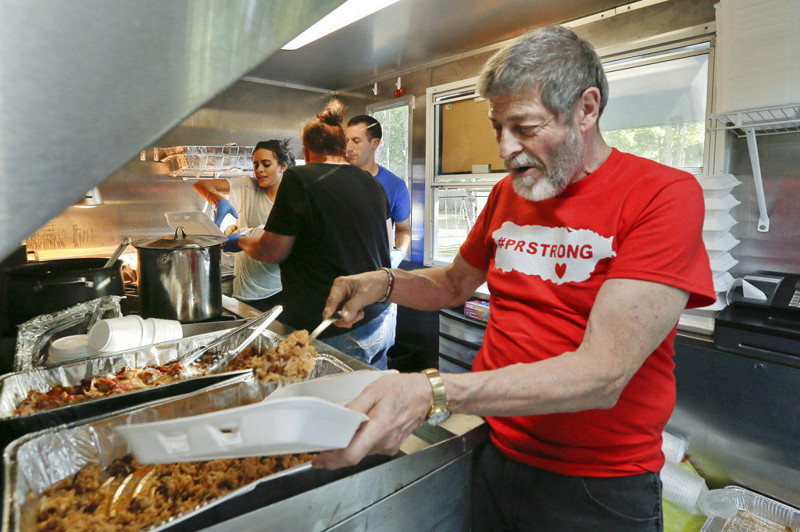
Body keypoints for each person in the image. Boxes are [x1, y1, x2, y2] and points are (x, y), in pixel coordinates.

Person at [313, 25, 715, 532]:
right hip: (492, 449)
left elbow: (603, 374)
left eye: (524, 128)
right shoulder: (512, 193)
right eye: (497, 127)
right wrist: (384, 281)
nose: (505, 149)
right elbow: (455, 284)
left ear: (586, 109)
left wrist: (433, 391)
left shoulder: (663, 195)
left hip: (596, 485)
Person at [233, 100, 396, 369]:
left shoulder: (299, 178)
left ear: (306, 151)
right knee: (372, 398)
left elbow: (272, 251)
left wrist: (239, 241)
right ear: (343, 148)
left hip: (339, 324)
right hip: (379, 316)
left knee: (335, 403)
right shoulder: (371, 182)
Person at [192, 140, 294, 312]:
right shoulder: (248, 186)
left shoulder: (292, 198)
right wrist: (220, 200)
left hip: (281, 288)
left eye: (266, 164)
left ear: (282, 166)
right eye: (256, 165)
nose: (259, 170)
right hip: (247, 290)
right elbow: (200, 185)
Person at [346, 115, 411, 268]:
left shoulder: (395, 186)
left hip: (375, 271)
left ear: (374, 143)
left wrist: (398, 253)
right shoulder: (333, 180)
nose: (349, 147)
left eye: (356, 141)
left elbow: (404, 230)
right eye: (346, 140)